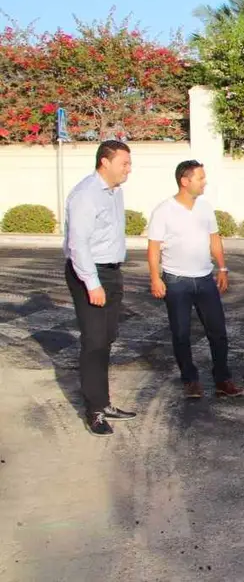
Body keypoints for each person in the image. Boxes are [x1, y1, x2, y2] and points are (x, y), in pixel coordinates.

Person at [147, 160, 244, 400]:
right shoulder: (163, 210)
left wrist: (222, 268)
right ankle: (190, 381)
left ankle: (223, 380)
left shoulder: (205, 208)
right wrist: (155, 278)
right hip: (176, 281)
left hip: (205, 280)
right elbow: (154, 248)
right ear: (185, 181)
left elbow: (214, 239)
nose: (205, 182)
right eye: (200, 178)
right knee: (181, 334)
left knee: (218, 332)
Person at [63, 140, 136, 436]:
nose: (129, 169)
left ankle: (103, 402)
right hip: (89, 274)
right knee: (94, 342)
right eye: (125, 163)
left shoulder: (115, 192)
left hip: (111, 272)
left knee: (106, 338)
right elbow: (78, 244)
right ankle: (94, 410)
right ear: (104, 162)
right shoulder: (86, 195)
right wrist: (92, 283)